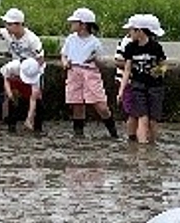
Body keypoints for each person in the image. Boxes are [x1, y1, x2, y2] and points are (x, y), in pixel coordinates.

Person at [60, 7, 117, 139]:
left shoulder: (94, 42)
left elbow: (101, 63)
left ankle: (113, 132)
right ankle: (78, 134)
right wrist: (65, 62)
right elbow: (64, 54)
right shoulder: (70, 39)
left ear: (83, 25)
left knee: (100, 104)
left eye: (75, 22)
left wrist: (95, 59)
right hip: (74, 71)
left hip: (90, 72)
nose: (72, 24)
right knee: (77, 104)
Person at [116, 14, 166, 144]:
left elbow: (164, 65)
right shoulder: (130, 48)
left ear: (140, 31)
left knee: (153, 120)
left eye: (131, 30)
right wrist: (121, 90)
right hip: (138, 86)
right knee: (142, 117)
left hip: (155, 87)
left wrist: (159, 71)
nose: (129, 33)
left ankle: (152, 144)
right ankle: (142, 149)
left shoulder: (156, 47)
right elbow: (127, 70)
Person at [0, 57, 44, 133]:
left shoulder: (38, 74)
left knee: (39, 103)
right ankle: (12, 125)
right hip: (15, 83)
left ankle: (37, 126)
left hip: (29, 88)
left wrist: (29, 118)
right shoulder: (12, 66)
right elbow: (6, 79)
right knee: (13, 101)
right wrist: (9, 93)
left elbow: (33, 98)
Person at [113, 16, 138, 142]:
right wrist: (138, 66)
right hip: (126, 81)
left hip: (135, 82)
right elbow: (118, 61)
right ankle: (132, 137)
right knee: (132, 111)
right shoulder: (126, 43)